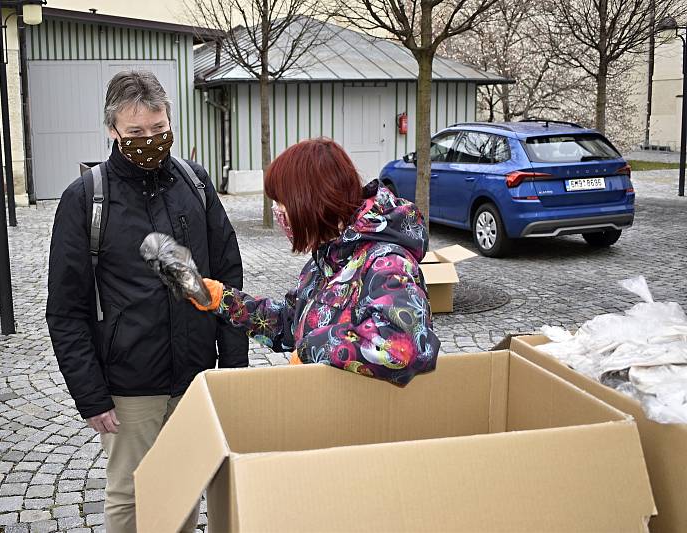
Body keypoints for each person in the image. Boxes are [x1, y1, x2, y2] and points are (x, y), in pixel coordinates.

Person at [46, 70, 248, 533]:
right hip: (129, 383)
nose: (150, 141)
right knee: (131, 495)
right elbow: (65, 309)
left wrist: (231, 368)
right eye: (136, 133)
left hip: (196, 373)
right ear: (112, 130)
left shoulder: (195, 184)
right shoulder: (86, 199)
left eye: (158, 130)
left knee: (182, 488)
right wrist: (91, 394)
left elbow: (226, 280)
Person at [193, 138, 440, 384]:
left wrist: (311, 348)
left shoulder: (385, 263)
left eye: (282, 202)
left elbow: (402, 347)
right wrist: (220, 298)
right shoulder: (326, 258)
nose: (279, 212)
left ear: (311, 201)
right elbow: (291, 324)